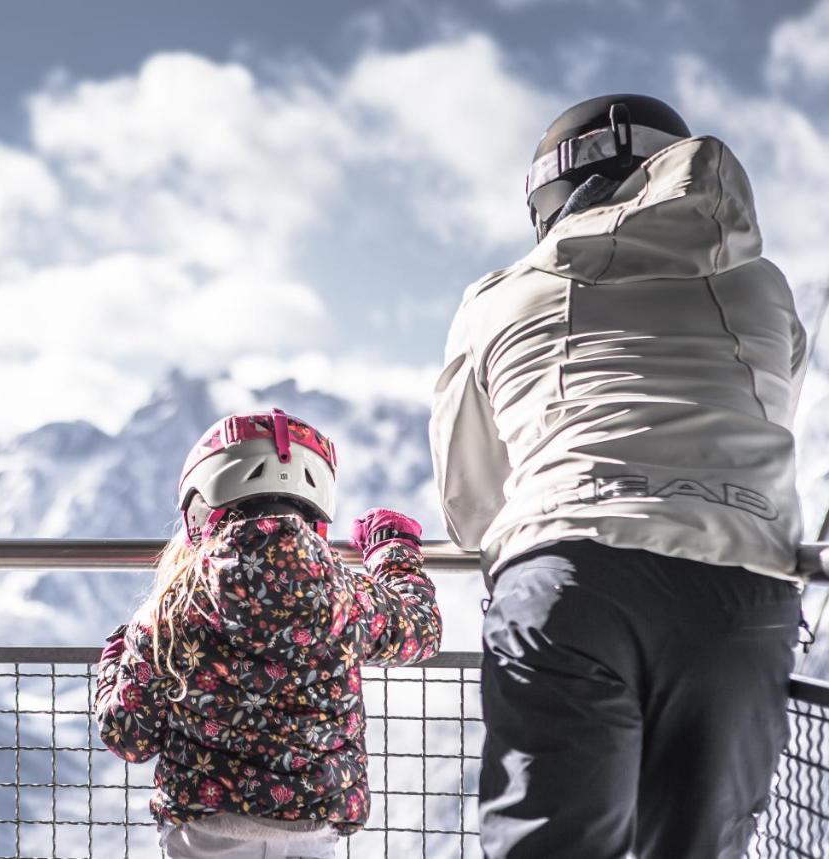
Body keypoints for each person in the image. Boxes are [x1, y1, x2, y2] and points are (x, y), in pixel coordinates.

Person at [430, 93, 807, 858]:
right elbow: (771, 417)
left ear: (550, 194)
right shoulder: (765, 289)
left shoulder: (499, 299)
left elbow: (470, 504)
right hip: (737, 585)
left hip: (568, 578)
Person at [93, 408, 442, 858]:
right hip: (310, 827)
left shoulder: (171, 612)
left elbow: (129, 736)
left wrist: (116, 658)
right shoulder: (347, 598)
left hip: (203, 830)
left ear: (202, 504)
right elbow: (422, 629)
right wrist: (391, 548)